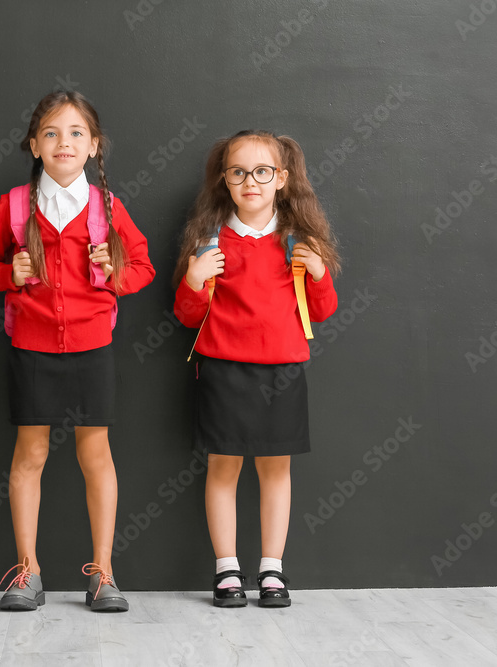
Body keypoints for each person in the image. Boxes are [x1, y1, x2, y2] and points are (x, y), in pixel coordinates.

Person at [0, 91, 155, 612]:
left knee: (96, 456)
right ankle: (27, 573)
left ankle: (103, 574)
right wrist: (11, 274)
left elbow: (143, 269)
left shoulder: (109, 208)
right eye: (51, 133)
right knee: (30, 455)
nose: (63, 142)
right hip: (31, 349)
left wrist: (115, 272)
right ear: (34, 146)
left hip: (94, 349)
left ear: (94, 146)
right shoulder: (12, 206)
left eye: (76, 133)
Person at [173, 130, 339, 608]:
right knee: (222, 469)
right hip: (223, 369)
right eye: (239, 172)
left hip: (282, 372)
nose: (251, 181)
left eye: (262, 172)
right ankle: (226, 570)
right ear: (225, 180)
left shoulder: (297, 241)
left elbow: (321, 311)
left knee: (275, 470)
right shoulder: (208, 239)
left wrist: (321, 274)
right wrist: (193, 280)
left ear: (282, 179)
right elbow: (187, 315)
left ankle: (272, 570)